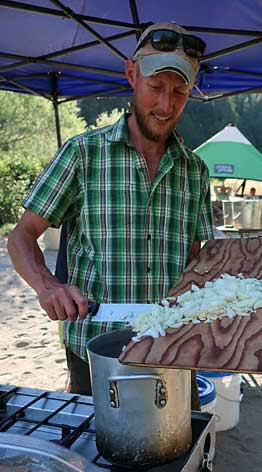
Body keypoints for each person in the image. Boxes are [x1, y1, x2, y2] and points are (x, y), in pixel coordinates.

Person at [7, 22, 214, 409]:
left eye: (180, 92)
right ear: (131, 74)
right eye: (156, 88)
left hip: (171, 346)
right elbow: (21, 237)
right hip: (94, 347)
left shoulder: (196, 170)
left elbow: (196, 258)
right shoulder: (83, 154)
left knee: (178, 452)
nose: (166, 106)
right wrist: (49, 287)